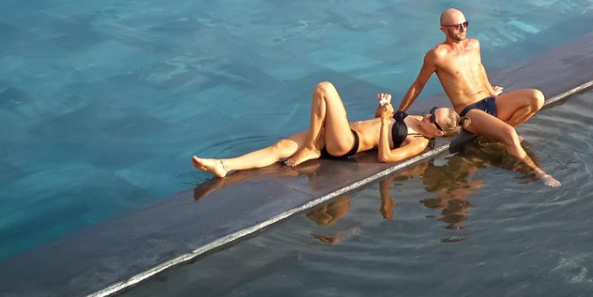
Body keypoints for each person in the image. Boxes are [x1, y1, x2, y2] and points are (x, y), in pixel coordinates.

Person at [397, 8, 558, 186]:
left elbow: (479, 69)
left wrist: (490, 91)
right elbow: (418, 86)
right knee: (510, 133)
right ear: (444, 29)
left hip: (490, 101)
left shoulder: (474, 44)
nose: (463, 29)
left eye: (465, 24)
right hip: (470, 112)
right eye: (457, 26)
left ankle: (498, 134)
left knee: (536, 98)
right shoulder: (437, 55)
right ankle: (539, 173)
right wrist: (399, 113)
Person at [191, 83, 459, 178]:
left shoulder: (419, 143)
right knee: (280, 148)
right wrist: (383, 109)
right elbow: (382, 122)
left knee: (325, 88)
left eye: (432, 117)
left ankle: (311, 148)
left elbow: (385, 157)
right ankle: (224, 165)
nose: (427, 114)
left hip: (348, 144)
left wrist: (385, 121)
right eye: (432, 110)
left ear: (436, 133)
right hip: (341, 132)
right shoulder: (414, 119)